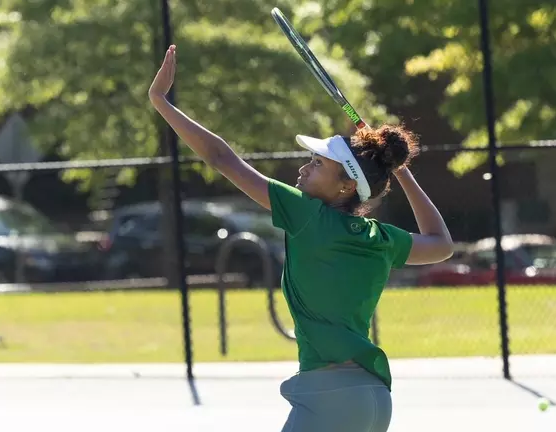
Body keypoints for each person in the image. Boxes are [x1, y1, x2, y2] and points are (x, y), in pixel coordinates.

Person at [149, 45, 454, 432]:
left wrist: (161, 101)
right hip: (373, 398)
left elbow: (223, 158)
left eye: (317, 164)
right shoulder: (380, 238)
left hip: (331, 399)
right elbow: (441, 243)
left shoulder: (308, 217)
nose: (304, 169)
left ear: (345, 187)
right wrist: (400, 171)